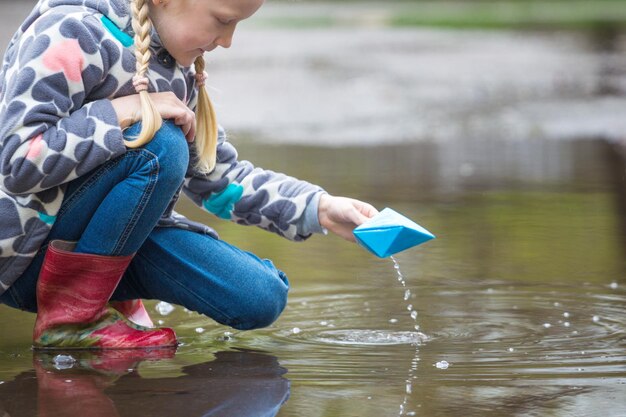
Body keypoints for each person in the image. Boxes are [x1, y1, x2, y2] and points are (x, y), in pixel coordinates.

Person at [0, 0, 378, 349]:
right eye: (223, 20)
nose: (227, 42)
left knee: (260, 297)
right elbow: (18, 162)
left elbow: (219, 181)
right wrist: (127, 110)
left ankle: (104, 295)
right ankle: (73, 319)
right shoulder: (70, 32)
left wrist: (321, 209)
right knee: (161, 143)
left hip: (116, 240)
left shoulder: (174, 68)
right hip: (25, 257)